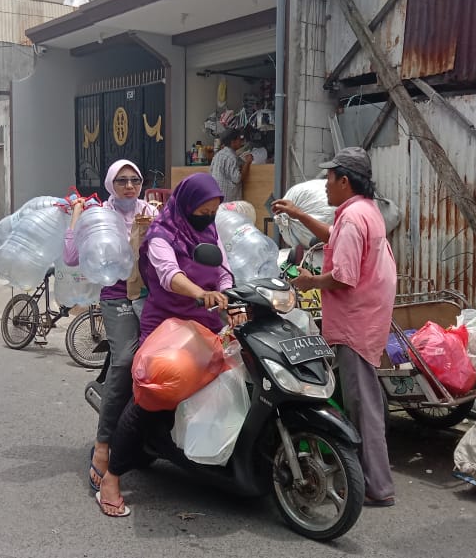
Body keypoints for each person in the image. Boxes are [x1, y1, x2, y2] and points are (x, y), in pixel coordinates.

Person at [94, 172, 248, 517]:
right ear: (187, 206)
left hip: (206, 322)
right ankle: (112, 476)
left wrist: (231, 298)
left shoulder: (209, 231)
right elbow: (169, 275)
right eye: (202, 211)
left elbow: (223, 269)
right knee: (155, 396)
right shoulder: (162, 235)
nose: (207, 218)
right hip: (167, 325)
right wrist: (200, 293)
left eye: (212, 212)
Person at [271, 146, 398, 508]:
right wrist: (298, 214)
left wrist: (310, 282)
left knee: (364, 408)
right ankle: (361, 473)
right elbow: (333, 236)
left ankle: (377, 486)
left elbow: (342, 277)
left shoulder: (355, 218)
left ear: (344, 181)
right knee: (360, 402)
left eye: (329, 178)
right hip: (367, 318)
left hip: (356, 323)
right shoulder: (363, 211)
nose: (324, 185)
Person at [63, 160, 158, 493]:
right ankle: (103, 444)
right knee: (123, 361)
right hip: (117, 299)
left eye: (135, 179)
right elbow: (72, 256)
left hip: (153, 298)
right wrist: (78, 213)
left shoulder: (152, 210)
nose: (129, 186)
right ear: (110, 184)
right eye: (121, 181)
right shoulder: (100, 214)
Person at [209, 128, 252, 202]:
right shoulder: (232, 157)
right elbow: (237, 178)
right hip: (229, 200)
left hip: (217, 199)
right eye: (239, 139)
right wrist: (248, 162)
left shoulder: (217, 155)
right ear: (233, 142)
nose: (241, 142)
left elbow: (211, 172)